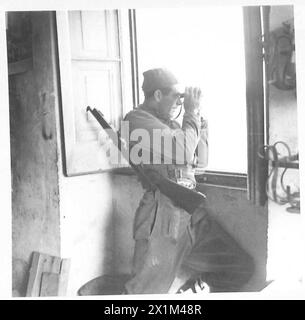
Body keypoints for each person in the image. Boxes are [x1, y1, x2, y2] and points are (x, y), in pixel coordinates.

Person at [122, 68, 254, 294]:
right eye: (176, 96)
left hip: (189, 209)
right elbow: (183, 153)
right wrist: (191, 113)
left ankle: (191, 294)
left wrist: (199, 120)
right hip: (162, 214)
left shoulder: (171, 125)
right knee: (145, 292)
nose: (180, 103)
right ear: (157, 95)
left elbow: (200, 160)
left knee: (239, 267)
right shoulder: (136, 120)